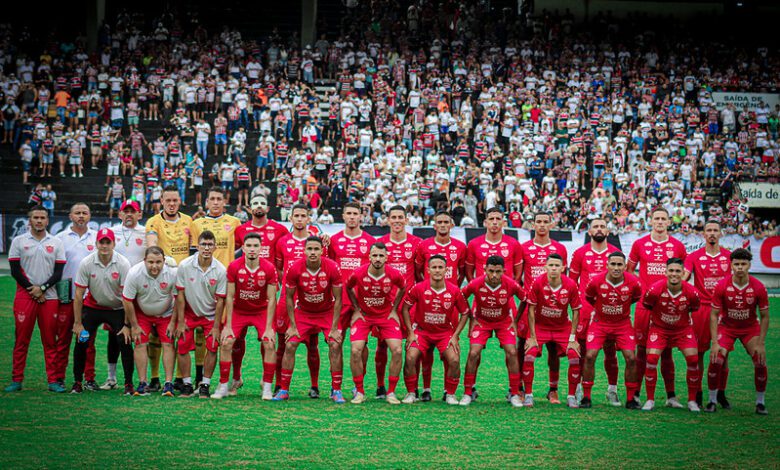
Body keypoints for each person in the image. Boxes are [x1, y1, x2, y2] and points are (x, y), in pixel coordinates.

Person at [273, 236, 346, 404]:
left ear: (322, 251)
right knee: (290, 343)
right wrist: (292, 325)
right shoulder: (295, 268)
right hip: (303, 312)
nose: (313, 252)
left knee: (335, 344)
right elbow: (289, 298)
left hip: (326, 312)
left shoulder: (332, 267)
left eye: (316, 249)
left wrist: (334, 328)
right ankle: (284, 389)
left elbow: (338, 299)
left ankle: (336, 390)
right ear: (304, 251)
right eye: (309, 249)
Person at [627, 207, 688, 408]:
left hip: (669, 307)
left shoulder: (678, 246)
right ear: (651, 221)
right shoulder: (639, 244)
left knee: (667, 352)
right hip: (646, 306)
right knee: (642, 350)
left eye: (663, 219)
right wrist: (642, 289)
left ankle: (671, 396)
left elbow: (685, 273)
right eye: (657, 218)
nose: (660, 222)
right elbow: (629, 271)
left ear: (669, 222)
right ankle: (636, 394)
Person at [5, 206, 66, 393]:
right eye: (35, 217)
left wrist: (43, 289)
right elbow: (15, 271)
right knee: (21, 340)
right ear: (29, 220)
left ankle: (53, 381)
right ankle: (16, 379)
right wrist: (34, 290)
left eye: (42, 218)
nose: (39, 221)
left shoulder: (56, 242)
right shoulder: (18, 241)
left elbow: (58, 272)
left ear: (48, 221)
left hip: (50, 295)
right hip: (25, 295)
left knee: (50, 340)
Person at [212, 233, 278, 399]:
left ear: (261, 248)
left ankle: (267, 387)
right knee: (227, 342)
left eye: (256, 246)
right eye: (249, 246)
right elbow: (229, 296)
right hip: (239, 310)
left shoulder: (269, 268)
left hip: (260, 310)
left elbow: (271, 299)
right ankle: (223, 385)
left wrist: (269, 328)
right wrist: (227, 326)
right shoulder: (234, 266)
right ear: (243, 248)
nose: (252, 249)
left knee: (269, 343)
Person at [705, 249, 770, 415]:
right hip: (727, 327)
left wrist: (761, 343)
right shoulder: (722, 286)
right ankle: (712, 400)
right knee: (716, 359)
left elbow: (764, 316)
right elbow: (713, 315)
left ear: (749, 265)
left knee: (760, 360)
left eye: (743, 264)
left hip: (749, 328)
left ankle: (760, 403)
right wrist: (715, 342)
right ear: (731, 265)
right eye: (737, 264)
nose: (740, 267)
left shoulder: (758, 287)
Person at [70, 228, 134, 395]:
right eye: (101, 242)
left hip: (116, 308)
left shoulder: (123, 263)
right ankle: (77, 382)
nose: (104, 246)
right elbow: (78, 294)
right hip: (93, 307)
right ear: (96, 243)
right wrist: (78, 324)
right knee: (82, 340)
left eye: (108, 242)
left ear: (114, 243)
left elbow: (127, 297)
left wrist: (127, 324)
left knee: (124, 340)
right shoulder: (87, 262)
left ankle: (128, 384)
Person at [401, 254, 469, 405]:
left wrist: (455, 335)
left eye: (440, 267)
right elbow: (405, 308)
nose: (437, 270)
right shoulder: (418, 288)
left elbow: (465, 312)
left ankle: (450, 394)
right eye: (434, 267)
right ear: (428, 270)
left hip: (444, 333)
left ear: (446, 270)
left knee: (454, 359)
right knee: (410, 356)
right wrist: (410, 333)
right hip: (421, 332)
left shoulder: (454, 290)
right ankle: (411, 393)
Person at [413, 210, 467, 401]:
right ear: (434, 225)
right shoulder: (424, 245)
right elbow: (418, 271)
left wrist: (451, 291)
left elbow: (462, 273)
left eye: (446, 222)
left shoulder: (460, 247)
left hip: (449, 305)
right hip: (426, 302)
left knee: (449, 349)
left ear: (451, 225)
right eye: (439, 222)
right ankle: (425, 389)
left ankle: (447, 391)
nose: (443, 225)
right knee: (424, 350)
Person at [569, 218, 622, 405]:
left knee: (611, 351)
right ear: (589, 232)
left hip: (610, 311)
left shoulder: (616, 254)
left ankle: (612, 390)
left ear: (608, 231)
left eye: (602, 226)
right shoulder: (580, 254)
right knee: (583, 352)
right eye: (595, 227)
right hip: (586, 311)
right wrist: (574, 311)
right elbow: (571, 284)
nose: (599, 229)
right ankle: (580, 388)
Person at [460, 256, 526, 407]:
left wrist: (515, 321)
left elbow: (525, 299)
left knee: (512, 351)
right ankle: (468, 392)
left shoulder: (510, 284)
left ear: (504, 270)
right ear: (485, 270)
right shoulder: (476, 283)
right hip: (481, 321)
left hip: (504, 322)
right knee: (473, 352)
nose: (494, 275)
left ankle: (514, 393)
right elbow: (462, 296)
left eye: (498, 271)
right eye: (491, 271)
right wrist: (471, 317)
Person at [580, 251, 642, 409]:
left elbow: (635, 298)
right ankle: (586, 397)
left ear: (625, 266)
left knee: (631, 358)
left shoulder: (634, 282)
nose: (616, 267)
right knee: (589, 355)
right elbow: (589, 297)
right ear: (607, 265)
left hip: (623, 324)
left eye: (619, 264)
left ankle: (630, 399)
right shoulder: (595, 281)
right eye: (613, 264)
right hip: (600, 323)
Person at [345, 243, 406, 404]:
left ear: (386, 257)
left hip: (385, 316)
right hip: (364, 316)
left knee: (398, 350)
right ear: (369, 257)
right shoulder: (358, 273)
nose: (378, 259)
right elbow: (348, 287)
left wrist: (394, 309)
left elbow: (403, 287)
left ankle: (391, 392)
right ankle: (359, 391)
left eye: (381, 256)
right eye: (375, 255)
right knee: (356, 350)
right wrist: (357, 309)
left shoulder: (394, 274)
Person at [273, 204, 323, 397]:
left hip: (309, 299)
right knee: (282, 343)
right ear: (291, 219)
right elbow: (279, 269)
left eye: (303, 216)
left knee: (312, 344)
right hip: (286, 299)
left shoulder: (316, 242)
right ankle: (280, 384)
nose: (300, 219)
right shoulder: (282, 242)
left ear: (308, 218)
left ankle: (314, 385)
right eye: (297, 216)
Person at [640, 258, 702, 412]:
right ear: (666, 272)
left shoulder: (692, 293)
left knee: (693, 359)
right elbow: (647, 305)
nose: (674, 274)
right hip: (659, 329)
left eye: (678, 271)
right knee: (652, 358)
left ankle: (692, 401)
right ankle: (650, 400)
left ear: (683, 273)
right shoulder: (654, 290)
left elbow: (694, 308)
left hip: (682, 330)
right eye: (671, 271)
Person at [520, 212, 569, 404]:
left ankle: (553, 390)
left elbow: (566, 280)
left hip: (555, 308)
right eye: (538, 222)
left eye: (545, 222)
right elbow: (518, 277)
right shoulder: (524, 248)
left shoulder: (560, 248)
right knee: (523, 348)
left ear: (551, 224)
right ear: (533, 224)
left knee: (553, 350)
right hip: (531, 308)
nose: (541, 225)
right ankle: (522, 389)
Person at [173, 230, 228, 398]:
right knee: (182, 346)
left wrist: (217, 326)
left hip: (211, 315)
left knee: (212, 347)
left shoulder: (220, 270)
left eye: (210, 244)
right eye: (203, 244)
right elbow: (180, 296)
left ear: (215, 247)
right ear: (197, 246)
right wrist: (181, 321)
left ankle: (205, 384)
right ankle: (188, 383)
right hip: (190, 312)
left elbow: (220, 301)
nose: (206, 248)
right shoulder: (184, 265)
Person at [683, 220, 732, 407]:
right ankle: (698, 393)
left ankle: (720, 392)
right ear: (703, 234)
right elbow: (684, 280)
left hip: (724, 310)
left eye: (715, 230)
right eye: (708, 230)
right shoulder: (694, 256)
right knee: (700, 353)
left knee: (723, 353)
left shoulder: (729, 256)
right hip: (702, 310)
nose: (712, 233)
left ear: (721, 234)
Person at [375, 205, 422, 398]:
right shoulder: (380, 244)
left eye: (400, 217)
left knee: (413, 346)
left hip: (409, 305)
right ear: (387, 220)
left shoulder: (417, 243)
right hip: (385, 305)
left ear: (406, 220)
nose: (396, 221)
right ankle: (380, 386)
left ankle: (413, 388)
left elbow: (419, 274)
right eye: (393, 217)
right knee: (382, 345)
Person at [524, 253, 582, 408]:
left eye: (557, 265)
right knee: (529, 354)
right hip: (541, 326)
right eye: (551, 265)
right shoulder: (537, 282)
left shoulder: (570, 284)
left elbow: (576, 311)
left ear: (563, 268)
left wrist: (572, 338)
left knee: (574, 356)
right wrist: (533, 337)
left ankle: (571, 396)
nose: (554, 268)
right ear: (545, 267)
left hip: (562, 327)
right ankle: (528, 395)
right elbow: (531, 310)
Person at [327, 202, 375, 381]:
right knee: (335, 343)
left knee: (360, 346)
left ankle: (358, 385)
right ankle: (335, 386)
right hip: (340, 301)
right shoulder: (334, 240)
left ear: (361, 216)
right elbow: (330, 268)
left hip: (360, 303)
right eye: (349, 213)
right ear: (343, 216)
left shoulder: (370, 241)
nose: (352, 216)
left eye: (356, 213)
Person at [121, 246, 178, 397]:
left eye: (158, 262)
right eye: (151, 262)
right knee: (140, 343)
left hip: (166, 314)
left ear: (164, 261)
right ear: (144, 261)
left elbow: (179, 299)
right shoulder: (134, 273)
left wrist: (173, 323)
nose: (155, 266)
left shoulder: (172, 272)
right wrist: (133, 325)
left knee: (168, 343)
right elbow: (127, 300)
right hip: (142, 313)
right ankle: (142, 383)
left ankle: (168, 384)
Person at [55, 203, 98, 389]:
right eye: (77, 213)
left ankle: (89, 378)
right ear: (70, 216)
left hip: (88, 299)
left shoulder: (97, 238)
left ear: (89, 216)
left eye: (84, 213)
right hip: (66, 296)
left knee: (87, 340)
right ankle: (58, 377)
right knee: (63, 339)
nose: (81, 216)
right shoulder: (59, 239)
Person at [190, 187, 241, 268]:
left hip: (227, 272)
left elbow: (240, 249)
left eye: (219, 199)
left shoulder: (235, 222)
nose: (215, 202)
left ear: (224, 202)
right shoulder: (196, 224)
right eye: (212, 199)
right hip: (205, 273)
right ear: (207, 202)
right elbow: (194, 253)